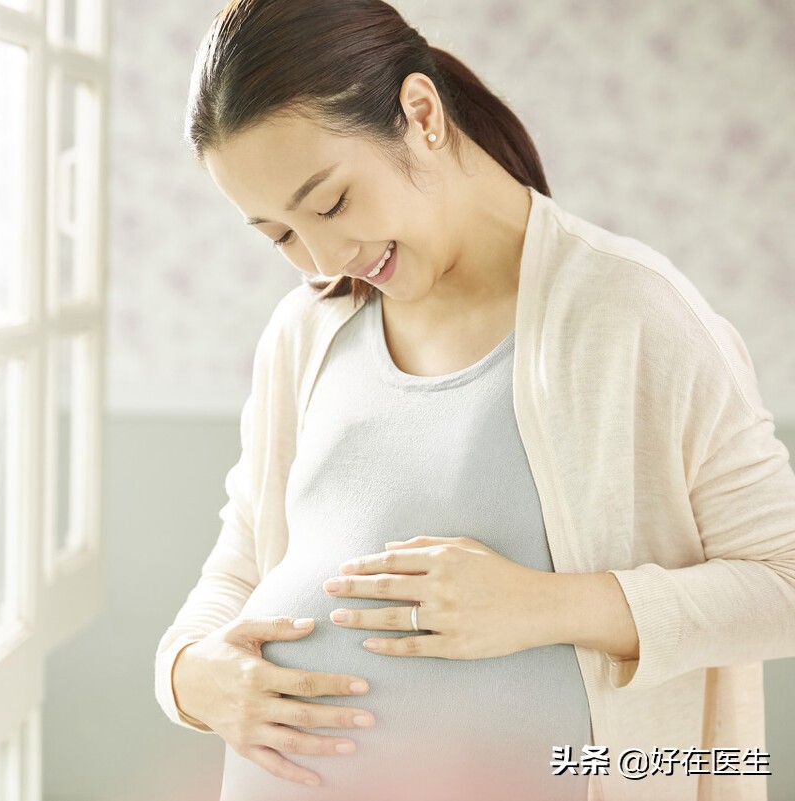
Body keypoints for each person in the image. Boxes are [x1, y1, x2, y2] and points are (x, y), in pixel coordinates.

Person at [152, 1, 795, 800]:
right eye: (278, 235)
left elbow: (784, 581)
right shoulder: (307, 331)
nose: (320, 257)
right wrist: (184, 674)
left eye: (331, 204)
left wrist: (546, 606)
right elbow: (243, 563)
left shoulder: (630, 315)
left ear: (421, 114)